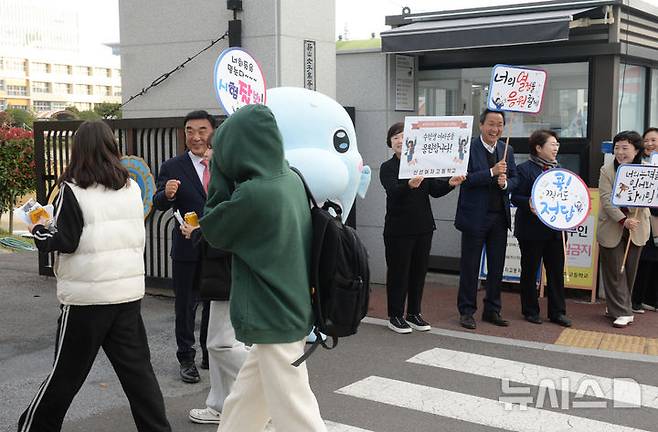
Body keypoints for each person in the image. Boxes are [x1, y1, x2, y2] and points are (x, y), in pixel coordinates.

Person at [19, 121, 171, 432]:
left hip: (86, 300)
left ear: (78, 150)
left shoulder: (73, 190)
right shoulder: (131, 187)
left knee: (65, 376)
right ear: (111, 148)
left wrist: (37, 230)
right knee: (139, 375)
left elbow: (65, 241)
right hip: (126, 295)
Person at [199, 104, 326, 431]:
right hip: (290, 304)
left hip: (272, 311)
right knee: (246, 400)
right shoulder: (289, 178)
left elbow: (213, 228)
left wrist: (220, 175)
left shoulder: (255, 194)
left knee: (296, 411)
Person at [182, 148, 249, 425]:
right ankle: (220, 405)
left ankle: (269, 384)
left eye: (212, 149)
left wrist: (198, 233)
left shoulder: (237, 185)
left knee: (222, 344)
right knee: (216, 344)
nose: (205, 153)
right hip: (221, 275)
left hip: (230, 274)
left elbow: (229, 235)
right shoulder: (233, 181)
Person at [380, 122, 465, 334]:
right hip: (398, 230)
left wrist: (450, 183)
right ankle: (395, 316)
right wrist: (408, 185)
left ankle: (414, 313)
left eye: (403, 137)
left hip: (424, 226)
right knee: (399, 273)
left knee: (418, 273)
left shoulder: (420, 163)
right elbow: (393, 191)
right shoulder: (387, 167)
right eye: (396, 138)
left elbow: (434, 190)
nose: (400, 141)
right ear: (390, 143)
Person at [153, 110, 214, 383]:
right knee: (186, 305)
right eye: (190, 130)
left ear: (212, 132)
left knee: (214, 303)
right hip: (187, 246)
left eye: (202, 130)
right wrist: (165, 195)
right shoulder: (173, 166)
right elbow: (158, 201)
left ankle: (209, 353)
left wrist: (220, 165)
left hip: (217, 247)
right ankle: (186, 358)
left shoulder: (225, 163)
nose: (195, 136)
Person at [455, 109, 517, 330]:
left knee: (496, 266)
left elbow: (515, 178)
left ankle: (492, 309)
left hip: (499, 217)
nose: (495, 129)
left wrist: (505, 184)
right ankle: (466, 311)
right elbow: (465, 179)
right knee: (470, 266)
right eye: (491, 124)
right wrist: (491, 172)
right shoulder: (468, 147)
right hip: (474, 216)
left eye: (499, 124)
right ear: (481, 125)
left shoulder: (506, 149)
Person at [510, 129, 572, 327]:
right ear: (538, 148)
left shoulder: (559, 170)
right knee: (529, 271)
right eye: (552, 144)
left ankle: (557, 312)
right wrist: (528, 202)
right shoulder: (524, 169)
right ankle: (530, 309)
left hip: (555, 231)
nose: (556, 148)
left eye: (557, 145)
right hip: (531, 231)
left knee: (555, 272)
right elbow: (514, 196)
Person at [597, 130, 651, 328]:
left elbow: (650, 196)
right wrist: (622, 219)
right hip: (613, 225)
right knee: (614, 270)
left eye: (625, 148)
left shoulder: (648, 170)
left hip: (637, 226)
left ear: (636, 150)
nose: (620, 152)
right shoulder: (607, 170)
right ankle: (624, 312)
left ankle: (616, 307)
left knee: (629, 270)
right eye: (617, 148)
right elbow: (605, 198)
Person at [630, 127, 658, 313]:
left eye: (653, 140)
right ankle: (636, 299)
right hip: (645, 217)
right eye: (646, 140)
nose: (649, 144)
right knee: (645, 260)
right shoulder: (638, 163)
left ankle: (652, 299)